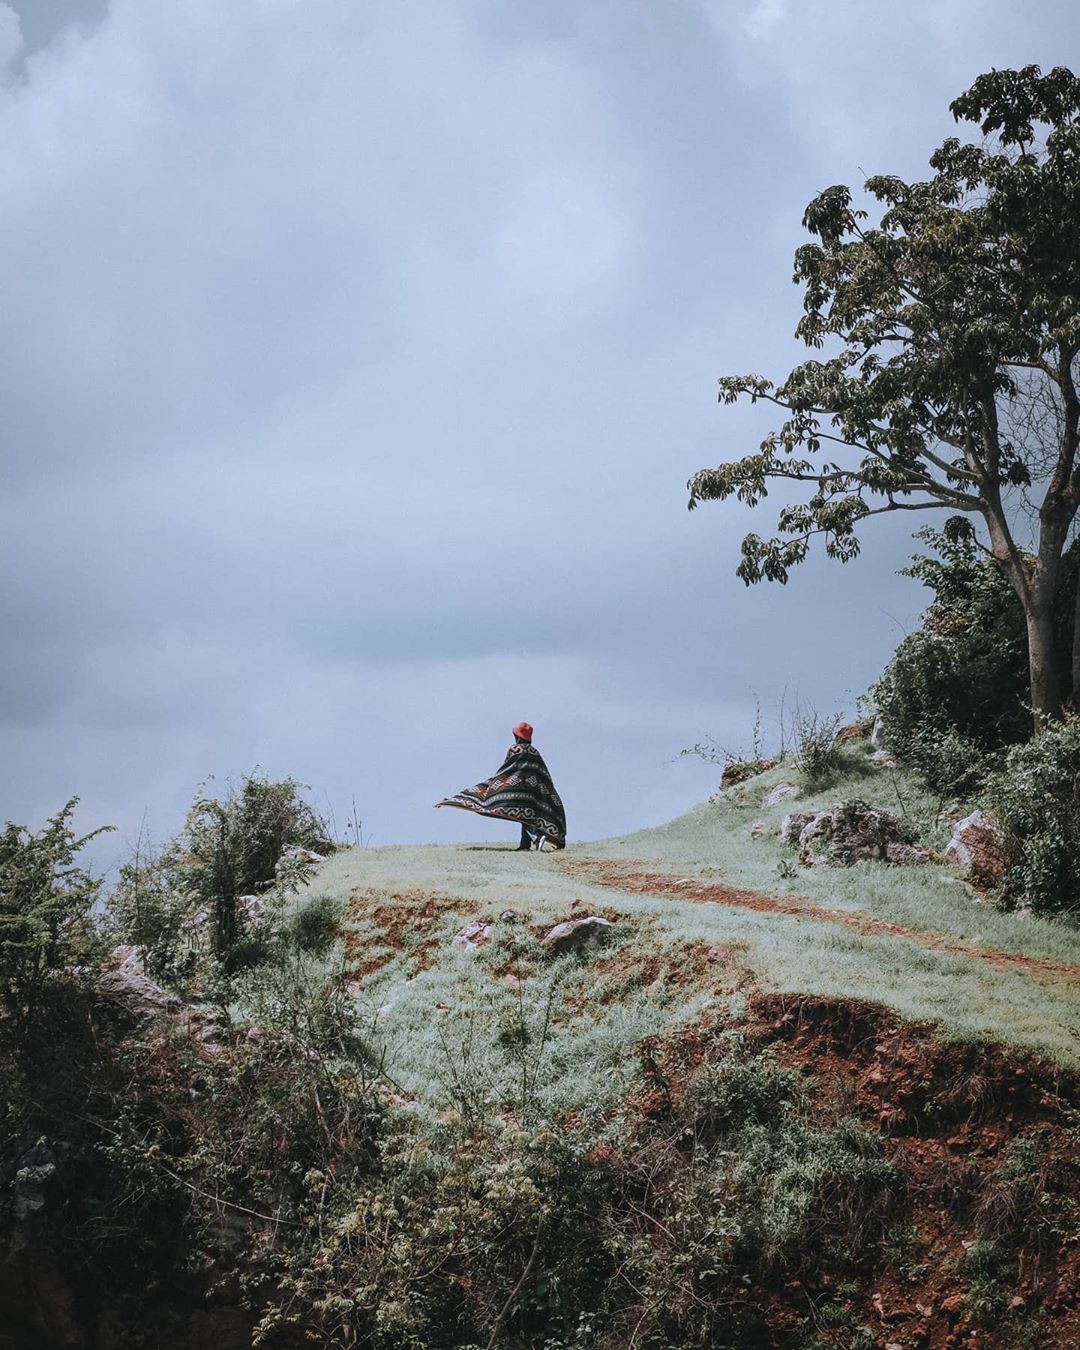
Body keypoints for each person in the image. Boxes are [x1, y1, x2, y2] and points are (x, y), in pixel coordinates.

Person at [435, 722, 566, 850]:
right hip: (532, 792)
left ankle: (536, 838)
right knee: (526, 815)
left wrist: (495, 781)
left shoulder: (514, 749)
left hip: (516, 789)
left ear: (518, 737)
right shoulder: (535, 752)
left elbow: (507, 768)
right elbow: (542, 772)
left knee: (521, 815)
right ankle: (524, 845)